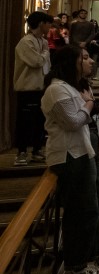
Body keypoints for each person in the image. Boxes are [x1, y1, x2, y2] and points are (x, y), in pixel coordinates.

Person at [42, 45, 99, 274]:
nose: (91, 61)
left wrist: (87, 103)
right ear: (70, 62)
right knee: (81, 212)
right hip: (69, 156)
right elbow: (74, 121)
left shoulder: (76, 87)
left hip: (86, 151)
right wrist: (90, 104)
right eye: (84, 58)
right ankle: (77, 268)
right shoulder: (56, 90)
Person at [15, 11, 53, 165]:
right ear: (41, 23)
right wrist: (45, 52)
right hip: (27, 88)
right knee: (25, 121)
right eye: (48, 23)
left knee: (40, 121)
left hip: (41, 87)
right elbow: (36, 61)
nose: (50, 27)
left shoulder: (42, 41)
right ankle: (21, 152)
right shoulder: (26, 42)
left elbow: (46, 65)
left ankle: (37, 150)